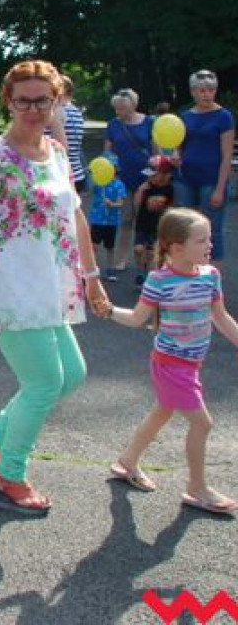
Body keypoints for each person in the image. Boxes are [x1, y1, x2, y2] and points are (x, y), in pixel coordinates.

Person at [0, 60, 108, 517]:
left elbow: (76, 216)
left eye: (42, 100)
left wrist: (91, 279)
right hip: (8, 285)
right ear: (7, 102)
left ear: (56, 102)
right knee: (44, 381)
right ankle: (8, 475)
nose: (32, 109)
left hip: (48, 283)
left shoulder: (54, 151)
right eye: (22, 101)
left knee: (70, 374)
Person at [104, 208, 238, 514]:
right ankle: (197, 488)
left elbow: (220, 316)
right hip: (169, 365)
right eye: (202, 240)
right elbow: (139, 318)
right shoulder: (159, 280)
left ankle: (126, 463)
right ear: (176, 248)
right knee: (203, 424)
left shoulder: (210, 276)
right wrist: (110, 310)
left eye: (209, 240)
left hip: (191, 364)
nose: (210, 245)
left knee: (161, 413)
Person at [174, 69, 234, 260]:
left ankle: (212, 278)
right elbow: (178, 146)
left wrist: (220, 188)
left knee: (212, 229)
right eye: (202, 90)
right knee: (184, 227)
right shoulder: (185, 116)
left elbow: (227, 155)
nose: (207, 94)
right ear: (193, 92)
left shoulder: (224, 116)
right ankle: (187, 271)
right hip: (185, 179)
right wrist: (176, 156)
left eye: (211, 90)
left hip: (211, 179)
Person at [103, 88, 154, 271]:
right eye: (116, 108)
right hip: (123, 178)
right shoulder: (113, 125)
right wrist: (110, 173)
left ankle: (145, 258)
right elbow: (107, 152)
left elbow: (156, 151)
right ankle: (121, 258)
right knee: (125, 219)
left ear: (133, 105)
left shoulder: (149, 122)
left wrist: (157, 173)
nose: (119, 112)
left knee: (145, 220)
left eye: (122, 108)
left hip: (146, 178)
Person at [132, 156, 174, 288]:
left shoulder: (169, 188)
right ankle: (140, 270)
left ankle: (150, 276)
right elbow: (136, 204)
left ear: (164, 174)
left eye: (154, 175)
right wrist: (140, 190)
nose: (150, 178)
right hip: (142, 223)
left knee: (152, 253)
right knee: (138, 249)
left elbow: (171, 206)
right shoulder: (146, 186)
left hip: (157, 226)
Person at [87, 154, 126, 282]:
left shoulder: (119, 185)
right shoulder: (97, 183)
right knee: (94, 246)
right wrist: (91, 174)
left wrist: (112, 204)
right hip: (97, 219)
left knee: (110, 247)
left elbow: (121, 203)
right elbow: (88, 190)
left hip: (111, 221)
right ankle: (92, 269)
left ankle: (110, 269)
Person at [53, 75, 87, 193]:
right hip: (78, 172)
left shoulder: (57, 111)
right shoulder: (76, 112)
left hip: (63, 173)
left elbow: (58, 145)